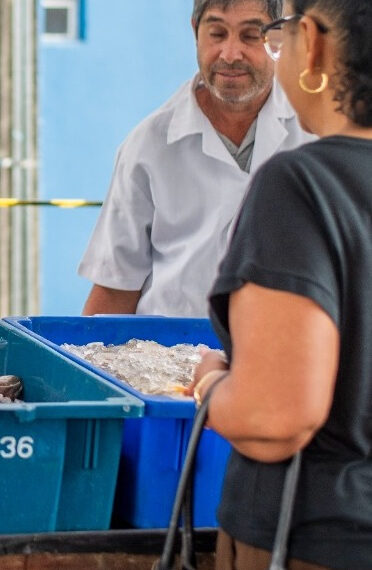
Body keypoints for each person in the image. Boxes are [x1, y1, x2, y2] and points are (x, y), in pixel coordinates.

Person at [187, 0, 372, 567]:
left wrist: (211, 383)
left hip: (322, 538)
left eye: (278, 32)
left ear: (311, 41)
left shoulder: (305, 184)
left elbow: (274, 418)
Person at [78, 0, 315, 317]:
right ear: (195, 32)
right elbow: (115, 287)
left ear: (279, 38)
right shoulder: (148, 145)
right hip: (171, 347)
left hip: (288, 341)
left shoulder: (316, 132)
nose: (230, 54)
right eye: (217, 33)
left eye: (250, 35)